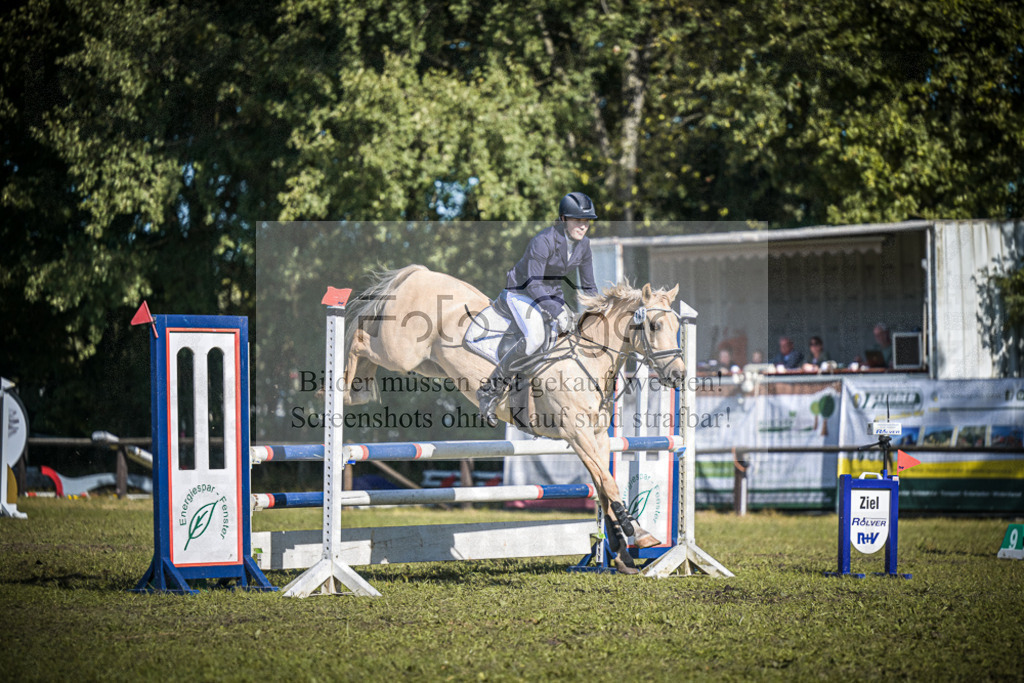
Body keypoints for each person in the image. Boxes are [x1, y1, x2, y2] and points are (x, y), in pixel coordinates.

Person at [477, 191, 599, 426]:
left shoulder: (584, 245)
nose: (583, 226)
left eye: (586, 221)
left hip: (550, 295)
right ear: (563, 219)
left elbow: (589, 286)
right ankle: (489, 391)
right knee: (534, 338)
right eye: (578, 220)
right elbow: (532, 282)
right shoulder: (543, 240)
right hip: (520, 293)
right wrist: (554, 309)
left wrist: (596, 315)